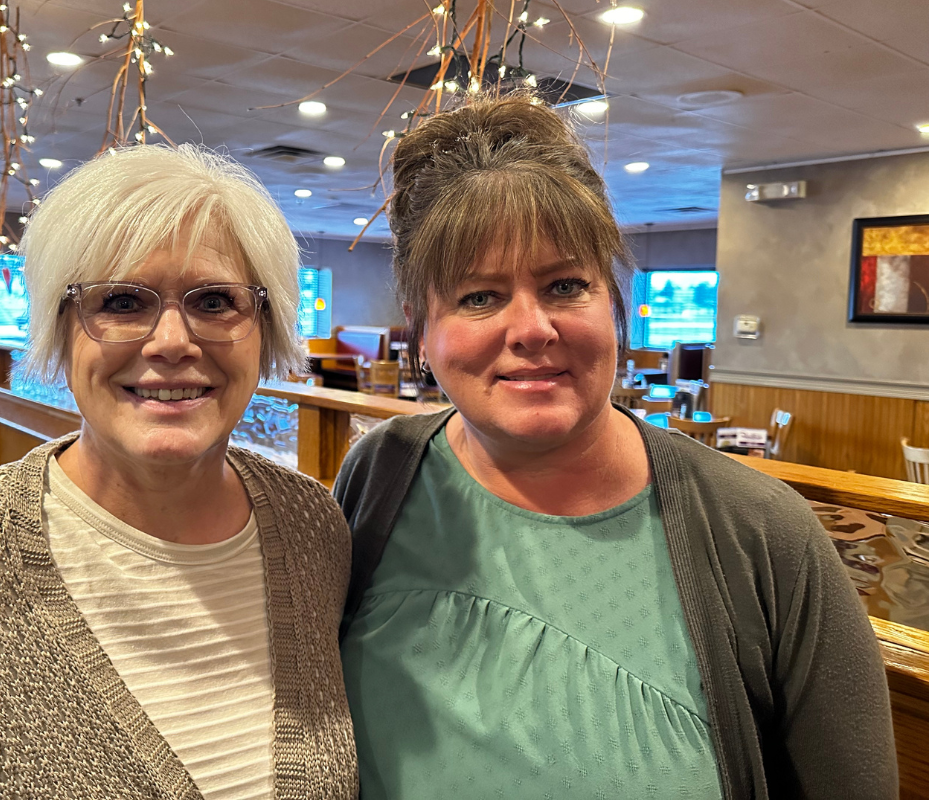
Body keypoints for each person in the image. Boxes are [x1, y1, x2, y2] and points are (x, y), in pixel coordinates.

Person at [335, 93, 897, 799]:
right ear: (421, 328)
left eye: (565, 285)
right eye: (479, 296)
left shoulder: (760, 532)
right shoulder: (378, 476)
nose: (531, 328)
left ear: (614, 305)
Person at [0, 144, 358, 799]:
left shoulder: (314, 530)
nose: (172, 342)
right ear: (62, 334)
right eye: (121, 301)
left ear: (266, 331)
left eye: (213, 301)